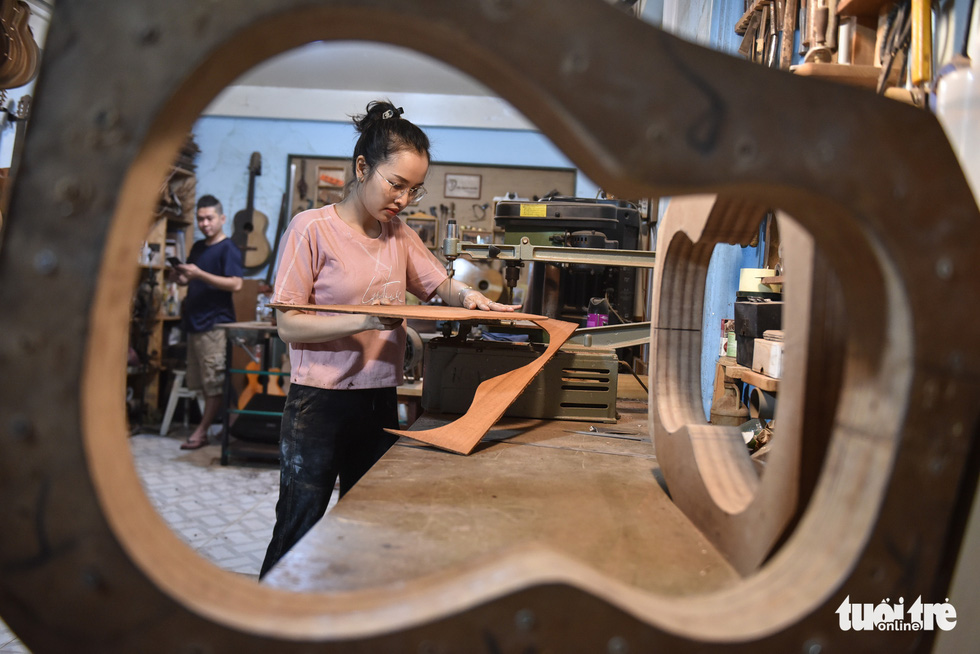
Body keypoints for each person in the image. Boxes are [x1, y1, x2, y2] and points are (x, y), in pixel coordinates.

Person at [259, 100, 516, 578]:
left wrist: (470, 296)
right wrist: (365, 321)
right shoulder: (312, 229)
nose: (401, 199)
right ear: (363, 167)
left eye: (413, 191)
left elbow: (440, 284)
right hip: (318, 402)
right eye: (395, 184)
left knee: (365, 524)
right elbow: (289, 324)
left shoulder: (400, 235)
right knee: (300, 525)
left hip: (377, 398)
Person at [171, 194, 244, 450]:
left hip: (215, 324)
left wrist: (199, 273)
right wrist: (180, 276)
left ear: (222, 219)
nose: (204, 223)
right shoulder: (199, 247)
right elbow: (189, 280)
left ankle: (201, 431)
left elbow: (236, 283)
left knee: (213, 383)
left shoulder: (229, 248)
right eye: (200, 218)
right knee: (202, 382)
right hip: (194, 323)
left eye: (209, 218)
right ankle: (229, 425)